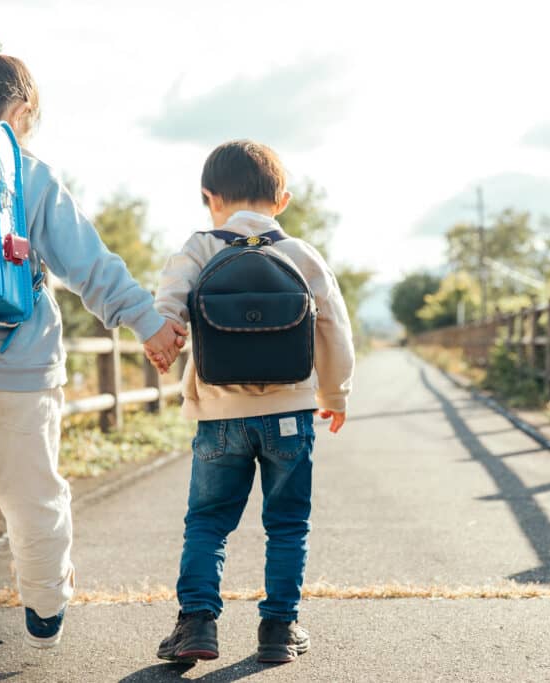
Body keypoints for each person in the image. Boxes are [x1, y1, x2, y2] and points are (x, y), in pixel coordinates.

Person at [0, 35, 186, 683]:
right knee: (35, 499)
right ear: (21, 109)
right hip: (19, 372)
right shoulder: (27, 172)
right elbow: (87, 263)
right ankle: (46, 602)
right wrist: (147, 321)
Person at [147, 140, 355, 664]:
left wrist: (166, 341)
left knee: (209, 521)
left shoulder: (198, 247)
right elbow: (335, 330)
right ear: (281, 199)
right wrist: (334, 394)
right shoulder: (301, 254)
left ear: (208, 197)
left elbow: (167, 305)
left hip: (218, 415)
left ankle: (196, 622)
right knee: (286, 523)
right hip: (289, 413)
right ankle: (279, 630)